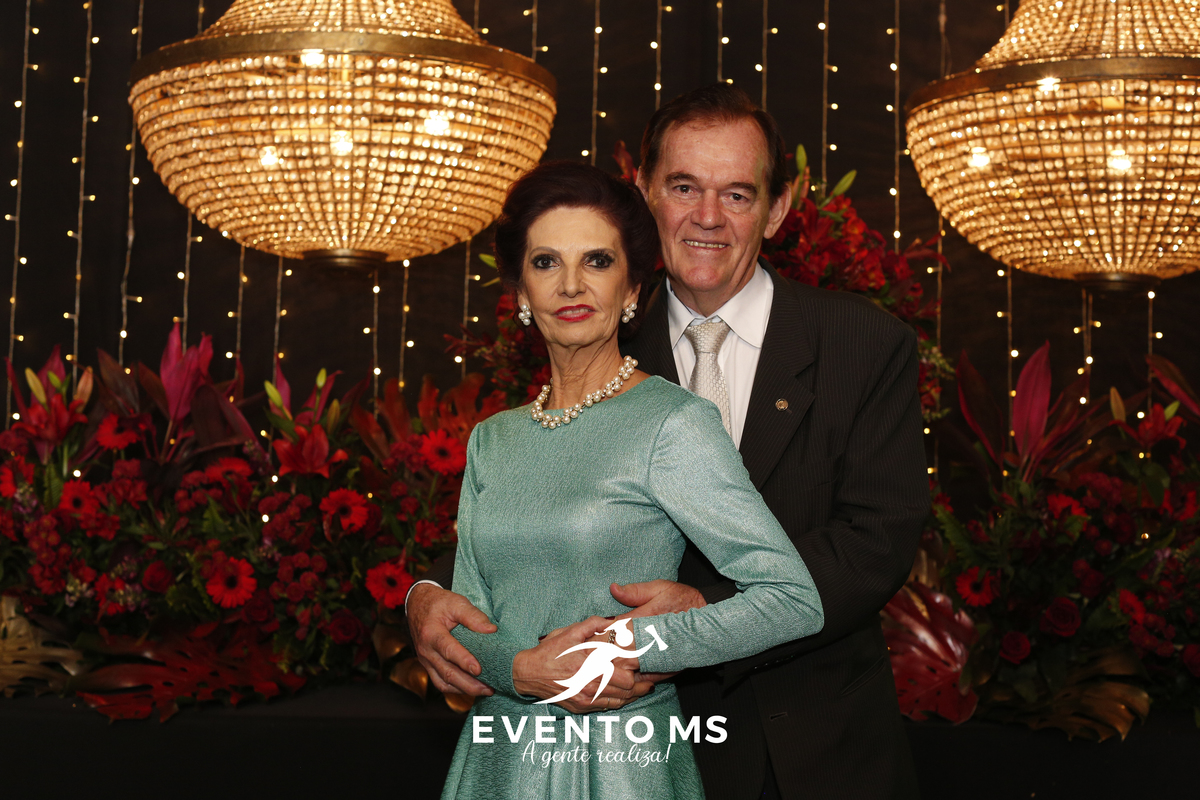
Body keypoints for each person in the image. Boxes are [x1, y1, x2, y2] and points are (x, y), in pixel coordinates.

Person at [411, 84, 928, 799]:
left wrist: (702, 613)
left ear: (778, 208)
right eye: (684, 187)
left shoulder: (862, 342)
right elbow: (535, 496)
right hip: (619, 744)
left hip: (811, 743)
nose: (707, 216)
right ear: (646, 192)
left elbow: (878, 538)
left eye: (737, 194)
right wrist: (427, 592)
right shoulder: (590, 328)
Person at [438, 160, 824, 799]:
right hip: (499, 760)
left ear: (632, 289)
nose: (570, 284)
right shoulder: (493, 439)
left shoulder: (671, 423)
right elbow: (466, 617)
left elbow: (790, 599)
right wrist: (523, 670)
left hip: (622, 762)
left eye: (597, 261)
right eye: (545, 263)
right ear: (521, 294)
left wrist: (629, 646)